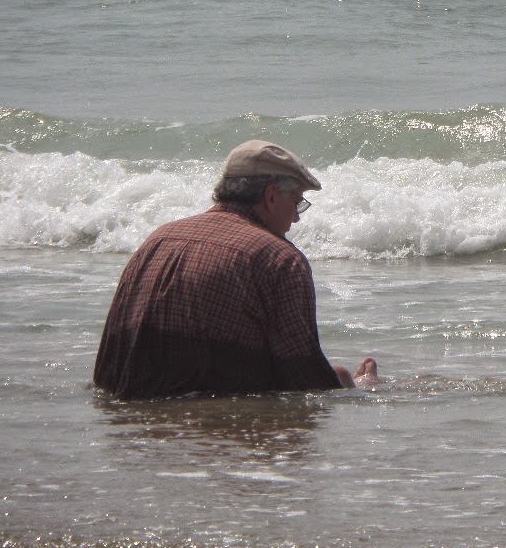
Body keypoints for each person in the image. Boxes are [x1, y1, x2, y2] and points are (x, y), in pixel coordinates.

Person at [94, 139, 378, 399]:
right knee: (344, 379)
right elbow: (305, 383)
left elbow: (108, 367)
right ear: (271, 196)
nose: (296, 218)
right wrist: (357, 390)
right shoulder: (279, 259)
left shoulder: (158, 239)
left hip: (129, 422)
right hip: (212, 422)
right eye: (296, 202)